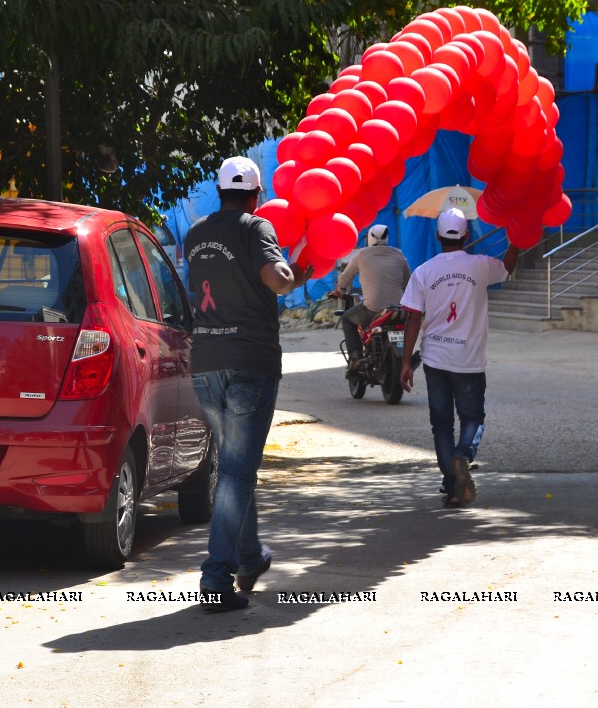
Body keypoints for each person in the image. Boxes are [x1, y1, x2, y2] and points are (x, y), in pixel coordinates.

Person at [183, 156, 312, 612]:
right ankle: (216, 579)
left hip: (205, 364)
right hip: (248, 364)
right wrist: (299, 271)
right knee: (237, 472)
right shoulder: (256, 229)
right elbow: (278, 281)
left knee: (236, 468)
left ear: (219, 191)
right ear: (257, 195)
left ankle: (248, 557)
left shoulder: (195, 235)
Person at [399, 208, 520, 508]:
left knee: (440, 423)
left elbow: (412, 318)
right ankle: (463, 456)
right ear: (466, 235)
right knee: (473, 417)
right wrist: (516, 239)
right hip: (469, 359)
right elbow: (507, 266)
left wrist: (404, 362)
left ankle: (453, 485)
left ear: (438, 235)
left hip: (435, 358)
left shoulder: (424, 271)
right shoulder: (481, 266)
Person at [330, 224, 411, 374]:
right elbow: (408, 282)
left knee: (347, 319)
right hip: (399, 310)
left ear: (369, 238)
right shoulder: (399, 254)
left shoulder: (362, 255)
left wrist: (338, 290)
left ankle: (355, 358)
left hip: (373, 308)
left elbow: (345, 276)